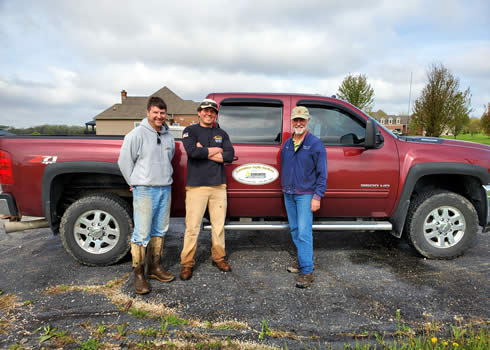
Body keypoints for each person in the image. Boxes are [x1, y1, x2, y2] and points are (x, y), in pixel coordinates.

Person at [118, 96, 175, 294]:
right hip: (145, 189)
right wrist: (133, 182)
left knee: (160, 229)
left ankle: (155, 268)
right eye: (155, 112)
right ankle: (139, 274)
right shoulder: (136, 135)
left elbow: (170, 157)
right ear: (148, 112)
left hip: (164, 188)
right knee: (142, 233)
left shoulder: (168, 136)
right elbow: (124, 161)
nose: (159, 116)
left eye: (162, 113)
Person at [179, 98, 235, 280]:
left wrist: (206, 151)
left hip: (218, 186)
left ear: (215, 114)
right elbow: (193, 152)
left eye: (212, 111)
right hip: (197, 187)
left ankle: (219, 258)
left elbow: (229, 155)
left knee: (218, 227)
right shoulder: (190, 130)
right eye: (205, 110)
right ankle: (187, 264)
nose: (209, 113)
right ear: (199, 112)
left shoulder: (222, 133)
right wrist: (216, 151)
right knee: (192, 228)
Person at [280, 106, 327, 288]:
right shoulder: (287, 143)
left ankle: (307, 271)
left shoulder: (315, 144)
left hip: (306, 195)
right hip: (289, 193)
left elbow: (322, 173)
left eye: (302, 120)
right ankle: (302, 261)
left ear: (308, 121)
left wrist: (317, 196)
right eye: (295, 120)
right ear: (291, 122)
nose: (298, 123)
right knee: (294, 229)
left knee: (304, 231)